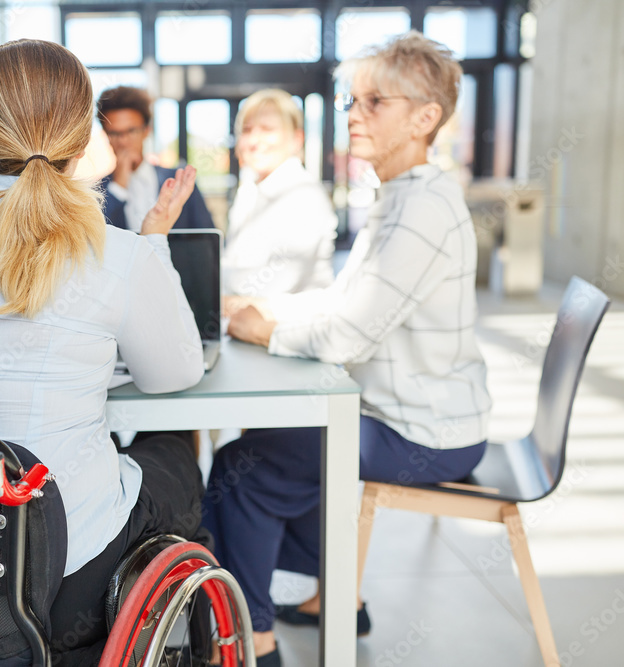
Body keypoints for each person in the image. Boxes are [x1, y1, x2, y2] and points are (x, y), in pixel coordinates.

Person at [0, 39, 207, 664]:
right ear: (84, 137)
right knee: (174, 448)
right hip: (76, 571)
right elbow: (174, 374)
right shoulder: (117, 251)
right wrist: (152, 245)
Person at [203, 32, 492, 666]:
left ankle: (254, 640)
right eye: (351, 102)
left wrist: (266, 329)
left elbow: (348, 333)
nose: (355, 116)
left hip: (424, 432)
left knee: (241, 471)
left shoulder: (420, 210)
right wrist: (270, 312)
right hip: (403, 414)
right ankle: (317, 594)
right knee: (271, 451)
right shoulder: (400, 195)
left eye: (374, 102)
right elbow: (342, 301)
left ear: (424, 119)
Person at [222, 89, 337, 300]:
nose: (254, 140)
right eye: (247, 130)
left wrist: (214, 282)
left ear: (297, 139)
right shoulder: (249, 191)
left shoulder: (305, 197)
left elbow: (269, 284)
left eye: (267, 129)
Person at [96, 86, 215, 232]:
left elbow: (207, 237)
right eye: (114, 133)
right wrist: (118, 188)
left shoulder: (180, 181)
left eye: (131, 131)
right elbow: (94, 238)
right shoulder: (97, 192)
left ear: (147, 130)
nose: (123, 141)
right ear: (106, 135)